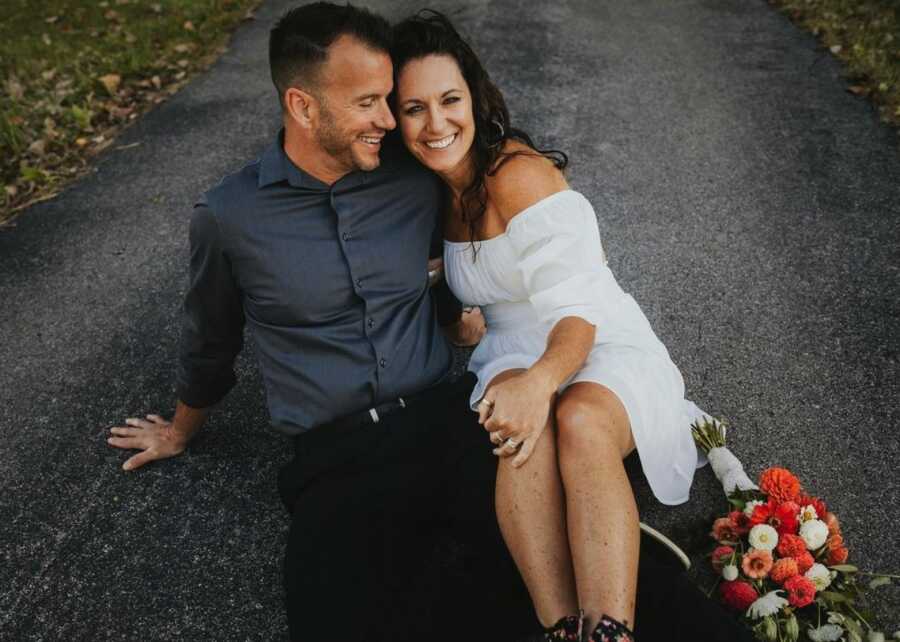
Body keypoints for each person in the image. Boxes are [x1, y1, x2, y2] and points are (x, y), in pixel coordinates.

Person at [106, 4, 534, 641]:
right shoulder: (229, 216)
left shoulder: (412, 178)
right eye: (368, 103)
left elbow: (443, 255)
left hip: (448, 421)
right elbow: (210, 337)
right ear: (304, 107)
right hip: (336, 460)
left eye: (390, 99)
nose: (390, 121)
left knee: (536, 585)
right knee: (334, 621)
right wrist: (179, 428)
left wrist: (457, 323)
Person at [391, 11, 734, 642]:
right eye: (413, 108)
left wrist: (541, 382)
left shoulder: (518, 176)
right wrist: (460, 322)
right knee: (516, 435)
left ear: (475, 97)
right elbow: (468, 299)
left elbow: (578, 314)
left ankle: (611, 631)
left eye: (449, 100)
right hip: (510, 355)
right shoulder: (426, 192)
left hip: (597, 340)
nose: (436, 124)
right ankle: (559, 626)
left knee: (575, 416)